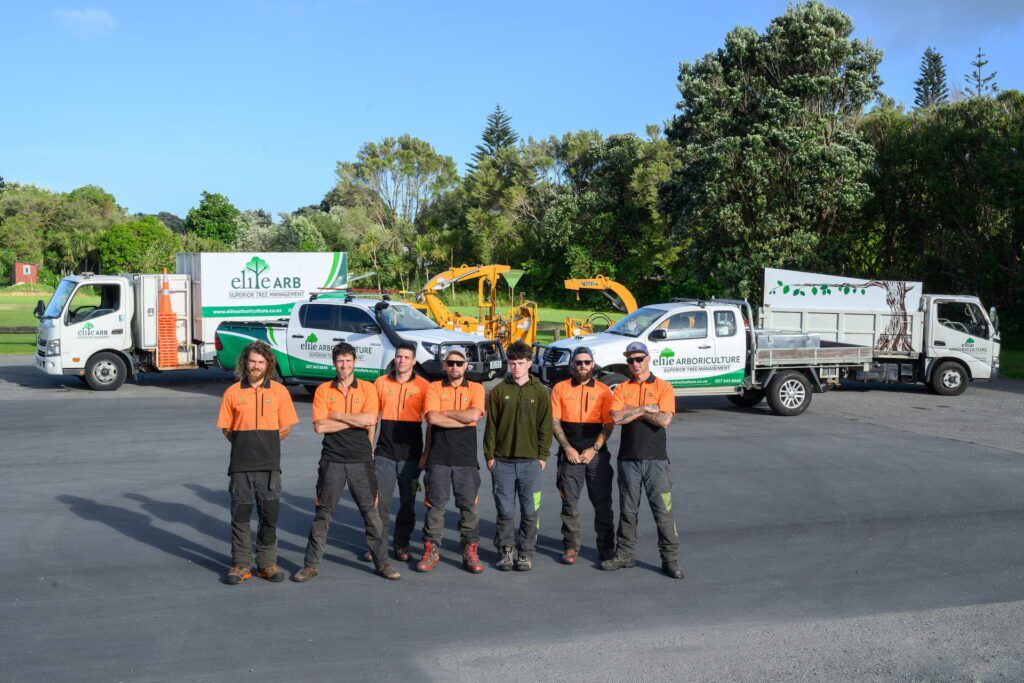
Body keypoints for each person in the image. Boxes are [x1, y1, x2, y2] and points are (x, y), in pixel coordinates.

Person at [292, 342, 401, 582]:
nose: (345, 365)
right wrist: (356, 421)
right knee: (323, 513)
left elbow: (371, 419)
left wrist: (338, 416)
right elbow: (320, 426)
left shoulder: (367, 388)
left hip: (360, 459)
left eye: (348, 361)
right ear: (334, 363)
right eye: (340, 361)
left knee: (370, 514)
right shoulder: (323, 390)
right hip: (332, 459)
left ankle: (382, 563)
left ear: (354, 362)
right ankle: (310, 565)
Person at [216, 341, 299, 585]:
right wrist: (246, 445)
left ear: (268, 365)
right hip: (241, 466)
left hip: (270, 466)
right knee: (240, 516)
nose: (256, 366)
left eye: (261, 362)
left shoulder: (279, 392)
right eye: (252, 361)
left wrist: (265, 444)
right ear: (245, 362)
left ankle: (266, 563)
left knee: (269, 516)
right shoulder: (232, 392)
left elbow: (285, 428)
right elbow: (227, 430)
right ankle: (241, 564)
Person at [603, 341, 684, 579]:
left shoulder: (663, 387)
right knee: (628, 511)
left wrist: (634, 410)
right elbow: (617, 417)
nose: (635, 364)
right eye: (630, 360)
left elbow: (664, 420)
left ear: (648, 359)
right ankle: (625, 554)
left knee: (663, 512)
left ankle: (670, 560)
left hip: (656, 460)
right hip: (628, 458)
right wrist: (645, 409)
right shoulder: (621, 388)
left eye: (639, 359)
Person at [483, 340, 553, 571]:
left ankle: (525, 552)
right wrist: (489, 455)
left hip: (531, 463)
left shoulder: (541, 392)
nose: (516, 367)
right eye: (512, 363)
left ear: (529, 364)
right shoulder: (499, 391)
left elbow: (545, 426)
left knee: (530, 511)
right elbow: (491, 426)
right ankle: (506, 551)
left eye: (521, 363)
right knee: (505, 511)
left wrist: (542, 456)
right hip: (502, 462)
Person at [418, 348, 486, 574]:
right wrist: (462, 418)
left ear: (466, 366)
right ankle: (431, 549)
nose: (455, 367)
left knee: (468, 506)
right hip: (439, 457)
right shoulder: (434, 387)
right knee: (435, 506)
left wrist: (445, 414)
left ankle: (470, 549)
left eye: (459, 363)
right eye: (450, 363)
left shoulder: (476, 388)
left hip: (466, 459)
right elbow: (432, 418)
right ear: (444, 366)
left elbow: (474, 415)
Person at [549, 346, 615, 565]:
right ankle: (570, 547)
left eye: (587, 362)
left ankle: (606, 548)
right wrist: (567, 448)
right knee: (570, 504)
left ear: (593, 364)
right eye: (579, 362)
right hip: (570, 455)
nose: (583, 366)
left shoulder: (604, 390)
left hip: (596, 454)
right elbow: (554, 422)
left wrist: (594, 448)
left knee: (603, 504)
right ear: (572, 364)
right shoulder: (560, 388)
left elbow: (608, 424)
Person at [369, 341, 430, 562]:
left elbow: (431, 424)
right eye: (399, 356)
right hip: (384, 452)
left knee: (407, 503)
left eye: (406, 357)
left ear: (414, 361)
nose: (402, 360)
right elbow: (372, 419)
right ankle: (378, 545)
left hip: (411, 455)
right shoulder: (380, 383)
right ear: (394, 358)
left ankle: (402, 544)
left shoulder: (424, 386)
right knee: (380, 503)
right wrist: (370, 447)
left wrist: (425, 455)